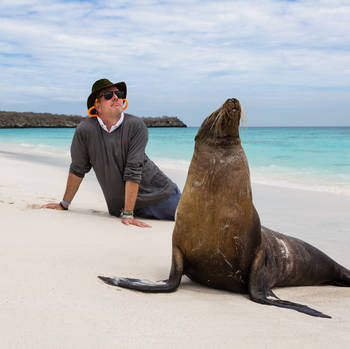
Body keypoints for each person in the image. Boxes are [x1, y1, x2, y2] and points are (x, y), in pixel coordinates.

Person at [42, 78, 181, 228]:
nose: (116, 97)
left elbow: (133, 169)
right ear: (97, 105)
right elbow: (77, 169)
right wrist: (64, 204)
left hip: (161, 196)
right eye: (108, 95)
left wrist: (128, 214)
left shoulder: (135, 126)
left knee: (205, 224)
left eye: (119, 94)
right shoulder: (85, 130)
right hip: (119, 209)